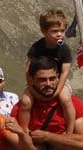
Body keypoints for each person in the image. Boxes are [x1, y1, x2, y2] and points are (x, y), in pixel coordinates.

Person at [19, 9, 75, 139]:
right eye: (54, 31)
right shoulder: (37, 47)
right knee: (26, 102)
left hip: (59, 80)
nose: (59, 34)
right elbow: (28, 69)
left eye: (62, 31)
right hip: (37, 81)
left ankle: (70, 130)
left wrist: (57, 91)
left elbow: (65, 71)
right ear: (44, 31)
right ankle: (24, 131)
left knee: (66, 99)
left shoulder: (64, 49)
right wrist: (32, 88)